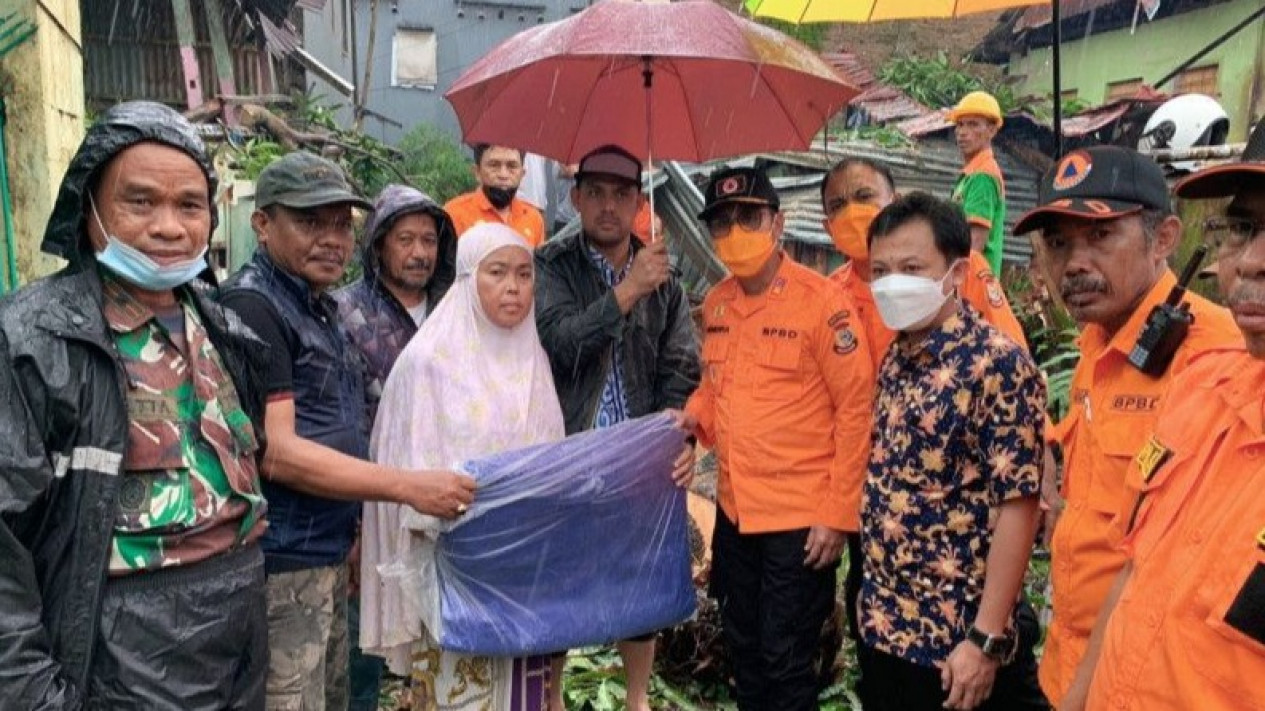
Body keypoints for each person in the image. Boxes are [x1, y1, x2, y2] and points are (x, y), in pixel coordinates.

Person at [0, 101, 271, 708]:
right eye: (140, 201)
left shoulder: (226, 331)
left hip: (241, 621)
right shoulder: (29, 340)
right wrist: (32, 695)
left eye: (189, 205)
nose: (170, 227)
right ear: (90, 208)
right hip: (124, 644)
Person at [221, 151, 477, 711]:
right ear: (262, 223)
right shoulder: (255, 306)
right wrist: (408, 487)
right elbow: (279, 454)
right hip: (283, 558)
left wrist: (358, 530)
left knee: (333, 695)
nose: (331, 238)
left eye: (340, 223)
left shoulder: (315, 306)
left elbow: (342, 422)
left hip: (327, 546)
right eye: (310, 222)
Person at [1008, 146, 1240, 707]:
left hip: (1127, 678)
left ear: (1163, 239)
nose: (1073, 264)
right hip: (1067, 656)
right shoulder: (1101, 339)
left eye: (1100, 236)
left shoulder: (1215, 361)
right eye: (1059, 243)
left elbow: (1159, 568)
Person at [1056, 115, 1265, 711]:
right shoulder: (1206, 389)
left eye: (1099, 236)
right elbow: (1135, 572)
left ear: (1164, 239)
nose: (1251, 263)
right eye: (1243, 227)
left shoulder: (1205, 347)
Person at [679, 166, 875, 711]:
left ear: (778, 223)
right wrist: (691, 422)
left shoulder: (822, 304)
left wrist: (838, 514)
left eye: (749, 217)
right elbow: (714, 391)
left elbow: (857, 409)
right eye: (722, 222)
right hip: (736, 514)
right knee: (743, 652)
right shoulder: (716, 304)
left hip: (799, 520)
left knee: (785, 660)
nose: (735, 230)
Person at [818, 155, 1030, 650]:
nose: (852, 211)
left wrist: (987, 635)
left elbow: (1013, 390)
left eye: (864, 196)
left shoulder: (965, 279)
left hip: (954, 543)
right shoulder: (830, 297)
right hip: (877, 512)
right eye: (838, 205)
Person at [856, 192, 1047, 711]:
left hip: (954, 641)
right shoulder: (899, 355)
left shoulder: (997, 366)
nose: (893, 282)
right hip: (886, 627)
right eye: (881, 270)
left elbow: (1020, 504)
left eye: (912, 267)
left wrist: (985, 639)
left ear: (957, 271)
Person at [363, 222, 565, 710]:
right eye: (497, 272)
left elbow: (551, 462)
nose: (514, 287)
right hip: (453, 575)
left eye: (524, 274)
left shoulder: (531, 358)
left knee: (522, 693)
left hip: (524, 573)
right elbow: (407, 476)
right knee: (462, 694)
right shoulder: (428, 363)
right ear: (467, 278)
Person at [534, 144, 700, 711]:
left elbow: (680, 363)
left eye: (622, 194)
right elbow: (559, 345)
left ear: (637, 200)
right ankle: (550, 696)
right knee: (560, 576)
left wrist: (674, 434)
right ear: (576, 197)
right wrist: (627, 292)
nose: (609, 206)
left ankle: (636, 699)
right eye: (597, 193)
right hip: (569, 446)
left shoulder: (667, 280)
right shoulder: (551, 265)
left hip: (639, 453)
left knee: (640, 577)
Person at [335, 184, 459, 710]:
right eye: (405, 239)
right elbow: (341, 419)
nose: (419, 253)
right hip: (374, 500)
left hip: (446, 500)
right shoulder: (344, 313)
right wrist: (357, 520)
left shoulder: (459, 311)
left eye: (429, 240)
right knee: (365, 642)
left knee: (438, 637)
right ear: (380, 246)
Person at [948, 91, 1007, 274]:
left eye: (973, 125)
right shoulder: (972, 173)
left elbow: (974, 244)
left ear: (992, 130)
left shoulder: (983, 175)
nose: (963, 133)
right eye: (960, 125)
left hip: (974, 284)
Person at [445, 144, 546, 246]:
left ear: (522, 174)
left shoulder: (533, 218)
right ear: (477, 172)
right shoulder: (454, 214)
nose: (503, 175)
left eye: (512, 166)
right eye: (494, 165)